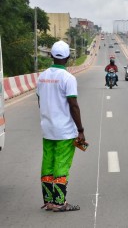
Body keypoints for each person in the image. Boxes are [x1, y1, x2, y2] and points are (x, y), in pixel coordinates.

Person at [37, 40, 86, 211]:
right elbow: (73, 105)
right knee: (62, 164)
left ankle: (49, 201)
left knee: (48, 163)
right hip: (64, 131)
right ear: (68, 58)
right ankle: (59, 202)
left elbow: (40, 102)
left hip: (47, 128)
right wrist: (80, 130)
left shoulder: (42, 77)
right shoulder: (68, 78)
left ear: (51, 56)